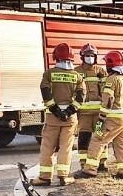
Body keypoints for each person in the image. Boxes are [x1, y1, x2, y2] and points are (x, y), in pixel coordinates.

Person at [31, 43, 85, 186]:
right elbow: (80, 97)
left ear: (56, 57)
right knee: (65, 147)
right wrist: (68, 112)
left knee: (47, 147)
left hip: (52, 117)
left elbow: (45, 93)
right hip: (70, 119)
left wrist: (56, 111)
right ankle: (63, 176)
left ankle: (44, 177)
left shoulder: (49, 74)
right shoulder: (77, 76)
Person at [74, 51, 123, 180]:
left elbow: (108, 100)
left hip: (112, 118)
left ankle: (90, 169)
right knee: (121, 143)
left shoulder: (112, 79)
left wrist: (101, 119)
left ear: (110, 64)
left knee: (97, 140)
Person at [74, 43, 109, 169]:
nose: (90, 58)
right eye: (87, 55)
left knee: (100, 136)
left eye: (92, 55)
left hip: (99, 114)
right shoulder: (76, 72)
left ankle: (102, 162)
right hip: (83, 115)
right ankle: (84, 163)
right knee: (84, 138)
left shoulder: (101, 71)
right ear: (82, 57)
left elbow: (107, 91)